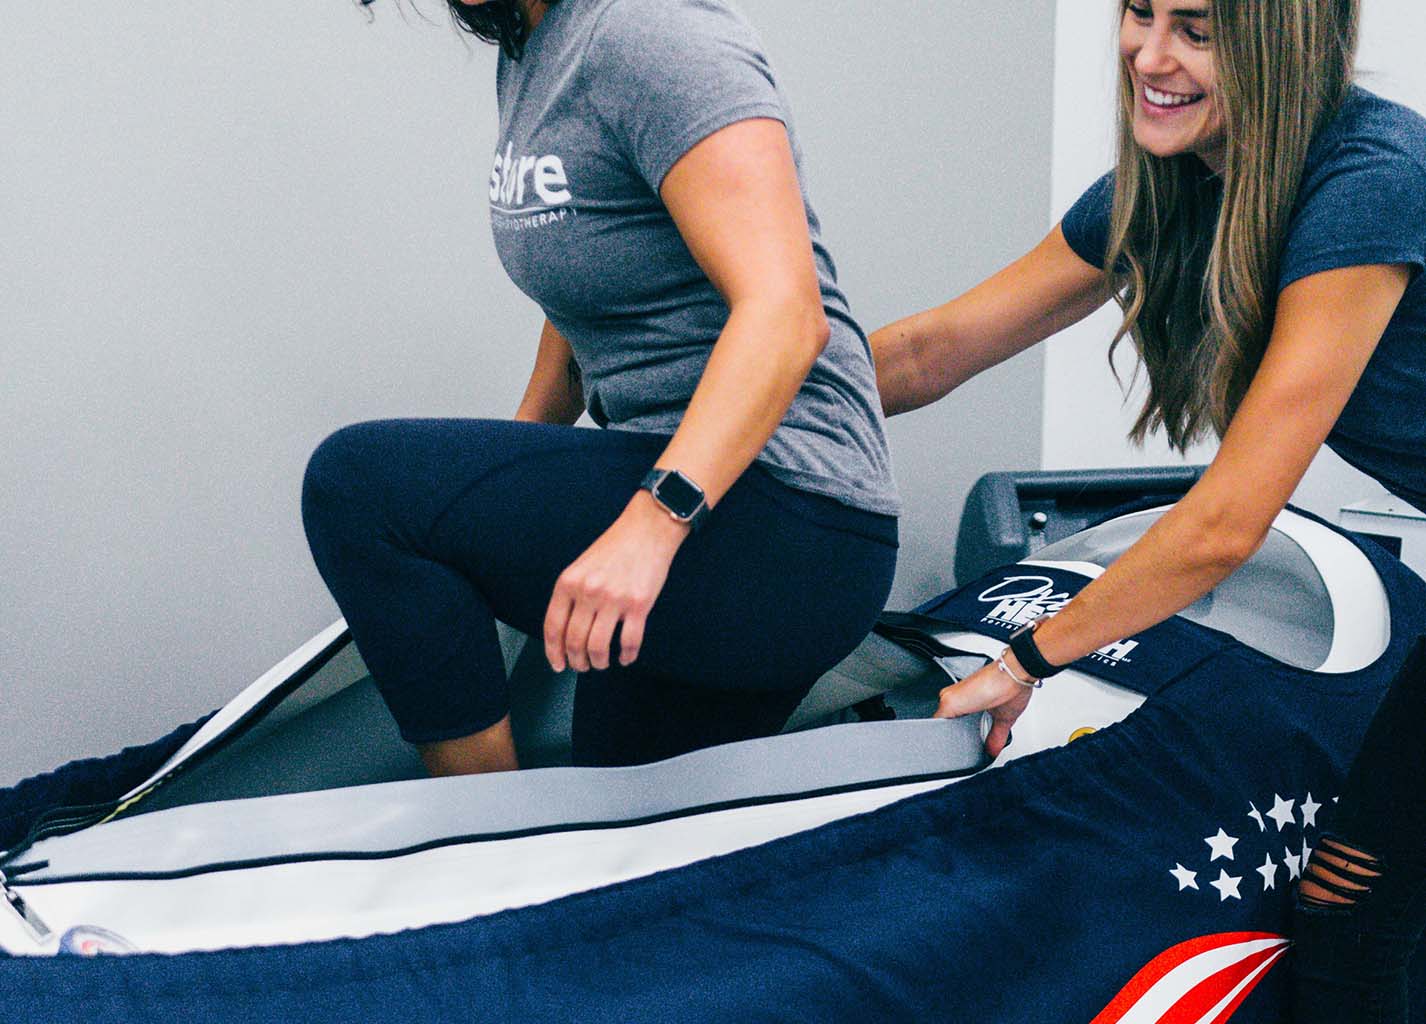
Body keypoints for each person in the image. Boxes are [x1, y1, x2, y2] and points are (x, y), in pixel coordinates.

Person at [869, 0, 1425, 1017]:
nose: (1148, 56)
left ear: (1276, 45)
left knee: (1351, 918)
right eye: (1139, 13)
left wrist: (1025, 659)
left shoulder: (1366, 185)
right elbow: (927, 352)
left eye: (1197, 31)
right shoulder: (1165, 189)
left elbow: (1222, 524)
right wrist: (725, 419)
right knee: (1352, 916)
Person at [300, 0, 899, 777]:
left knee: (358, 486)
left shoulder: (653, 33)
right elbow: (588, 297)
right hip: (689, 495)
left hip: (788, 515)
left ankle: (482, 845)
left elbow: (786, 315)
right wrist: (492, 486)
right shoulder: (534, 48)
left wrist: (653, 524)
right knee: (620, 827)